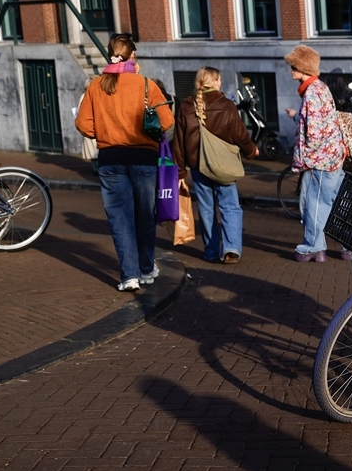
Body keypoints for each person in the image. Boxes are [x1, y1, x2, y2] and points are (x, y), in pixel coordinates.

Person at [76, 34, 175, 292]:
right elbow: (167, 121)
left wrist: (106, 132)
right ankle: (146, 268)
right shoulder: (145, 84)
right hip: (142, 157)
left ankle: (129, 275)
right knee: (145, 215)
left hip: (110, 158)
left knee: (119, 218)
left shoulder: (97, 85)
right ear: (132, 55)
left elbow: (83, 124)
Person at [171, 67, 258, 264]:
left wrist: (180, 170)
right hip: (223, 166)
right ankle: (231, 249)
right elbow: (240, 134)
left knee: (206, 208)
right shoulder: (227, 106)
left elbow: (179, 140)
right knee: (230, 207)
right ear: (215, 81)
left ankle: (211, 251)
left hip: (198, 166)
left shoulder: (186, 106)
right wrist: (251, 151)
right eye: (219, 79)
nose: (220, 83)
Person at [283, 45, 349, 262]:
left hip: (321, 161)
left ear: (304, 68)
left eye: (294, 66)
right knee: (335, 201)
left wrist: (308, 158)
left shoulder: (311, 93)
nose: (291, 70)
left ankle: (314, 246)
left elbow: (314, 132)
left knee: (315, 204)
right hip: (332, 158)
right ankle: (347, 245)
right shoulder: (320, 88)